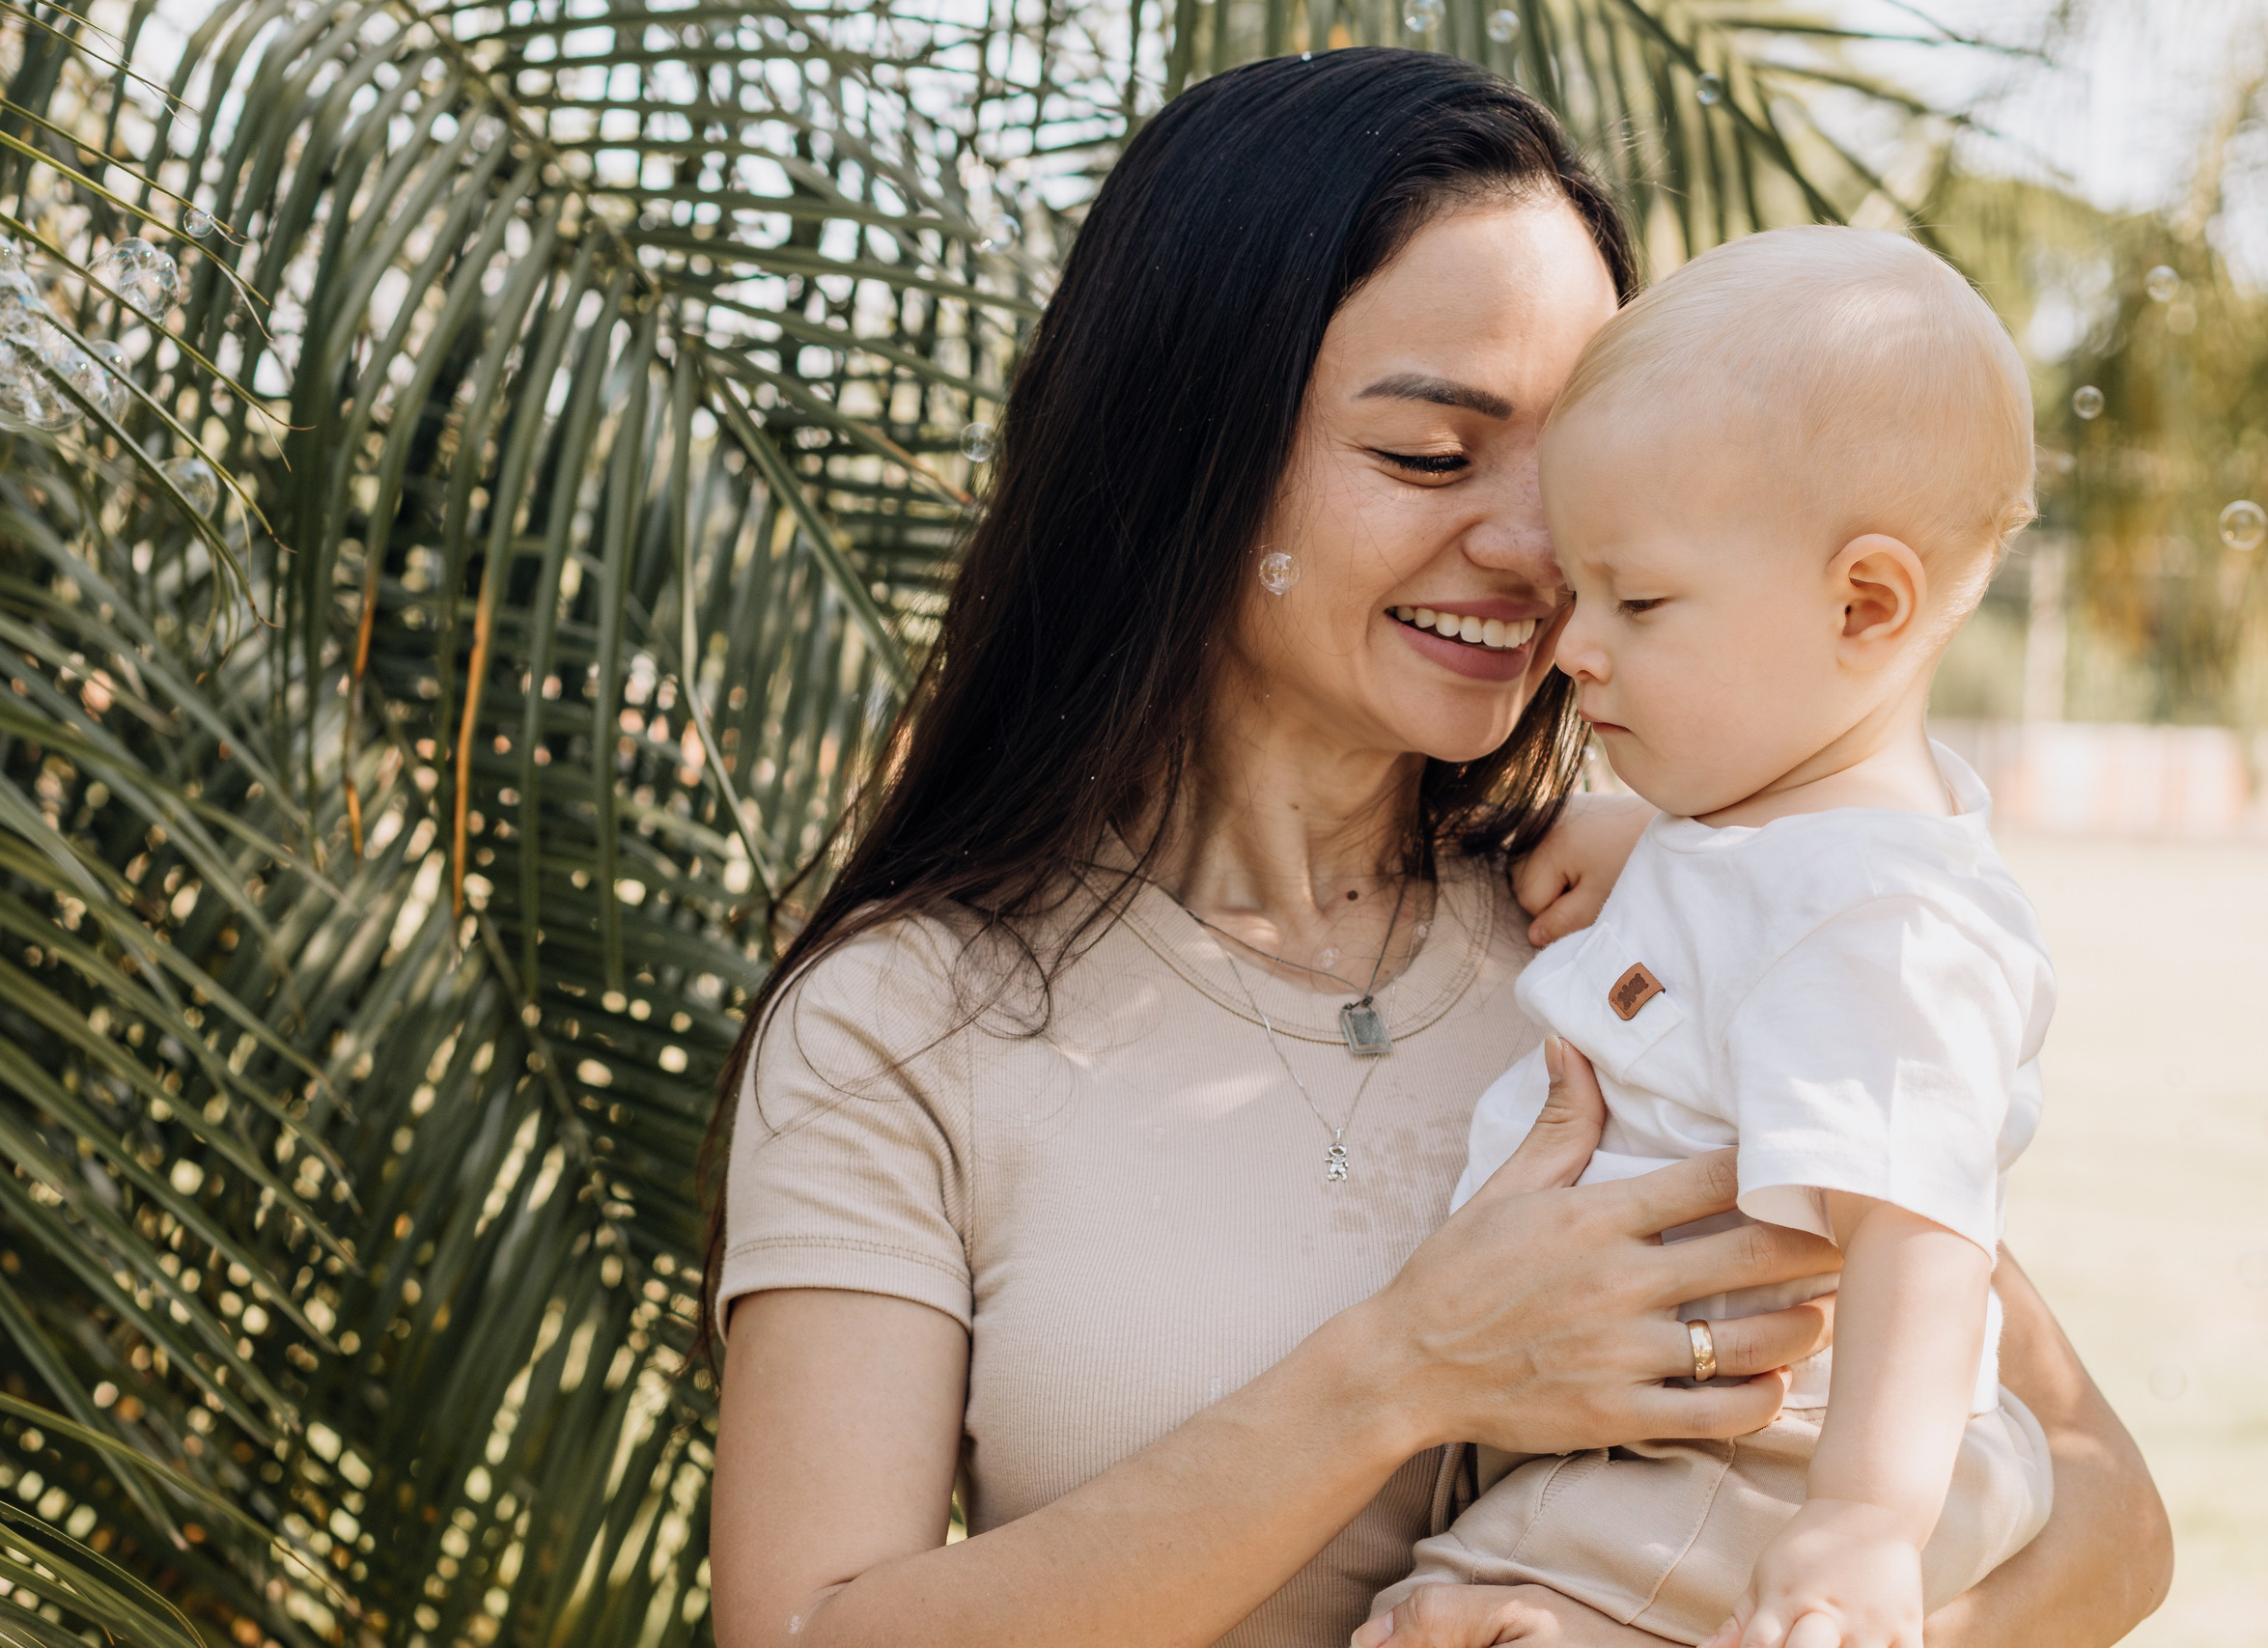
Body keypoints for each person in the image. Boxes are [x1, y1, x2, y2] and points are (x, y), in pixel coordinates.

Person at [702, 49, 2170, 1648]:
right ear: (1186, 450)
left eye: (1586, 470)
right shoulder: (902, 1028)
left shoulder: (1652, 922)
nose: (1538, 551)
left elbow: (2100, 1519)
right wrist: (1402, 1372)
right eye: (1429, 456)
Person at [1369, 227, 2064, 1648]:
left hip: (1749, 1472)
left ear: (1865, 605)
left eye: (1639, 600)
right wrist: (1647, 844)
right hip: (1682, 1454)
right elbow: (1775, 895)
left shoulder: (1884, 927)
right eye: (1582, 591)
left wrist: (1863, 1523)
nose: (1574, 643)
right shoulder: (1798, 856)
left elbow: (1921, 1232)